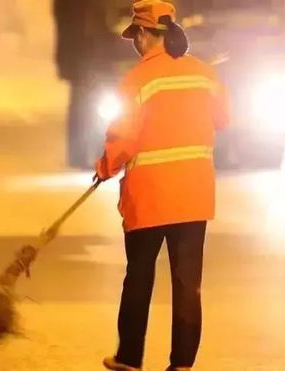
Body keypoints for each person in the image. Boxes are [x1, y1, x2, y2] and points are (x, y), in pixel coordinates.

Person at [95, 1, 230, 370]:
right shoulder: (204, 73)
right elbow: (224, 118)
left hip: (150, 196)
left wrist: (105, 167)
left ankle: (129, 358)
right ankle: (182, 363)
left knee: (139, 276)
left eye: (134, 36)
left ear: (142, 34)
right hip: (193, 195)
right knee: (188, 284)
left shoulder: (135, 80)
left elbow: (122, 138)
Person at [53, 0, 110, 168]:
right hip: (80, 56)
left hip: (106, 53)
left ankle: (106, 151)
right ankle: (78, 155)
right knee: (81, 105)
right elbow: (65, 24)